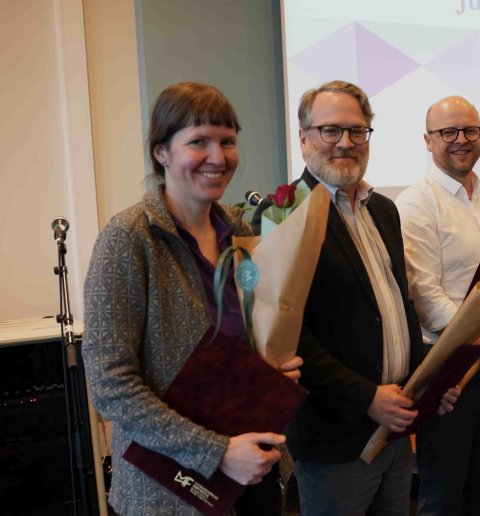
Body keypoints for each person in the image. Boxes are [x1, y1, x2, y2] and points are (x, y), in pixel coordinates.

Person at [83, 82, 302, 515]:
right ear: (161, 152)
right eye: (198, 142)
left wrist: (274, 368)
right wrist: (216, 451)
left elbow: (248, 340)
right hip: (171, 490)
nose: (218, 158)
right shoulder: (129, 238)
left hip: (256, 468)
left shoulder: (244, 232)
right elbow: (110, 386)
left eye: (227, 141)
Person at [255, 81, 457, 516]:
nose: (345, 142)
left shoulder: (382, 209)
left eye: (357, 131)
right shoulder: (281, 212)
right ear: (303, 136)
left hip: (396, 429)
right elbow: (288, 337)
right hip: (335, 438)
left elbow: (396, 312)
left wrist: (429, 380)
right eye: (331, 131)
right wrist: (366, 397)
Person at [396, 96, 480, 515]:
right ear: (427, 140)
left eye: (470, 130)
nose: (461, 140)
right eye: (448, 132)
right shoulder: (416, 203)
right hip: (450, 371)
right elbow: (425, 294)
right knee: (444, 497)